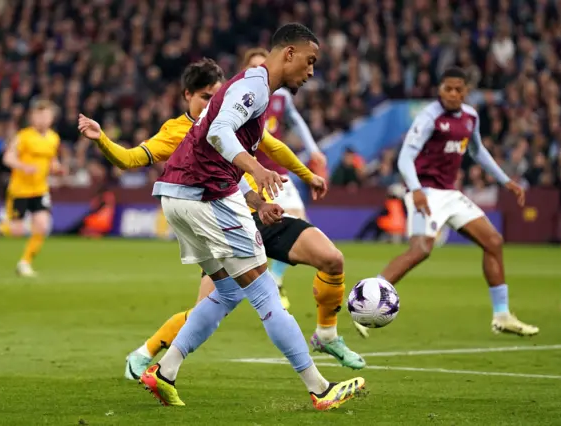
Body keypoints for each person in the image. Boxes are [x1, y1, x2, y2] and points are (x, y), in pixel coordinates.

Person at [79, 29, 364, 411]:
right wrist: (258, 172)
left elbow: (250, 144)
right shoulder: (256, 87)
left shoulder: (256, 92)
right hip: (206, 196)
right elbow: (218, 133)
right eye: (310, 61)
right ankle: (319, 388)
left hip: (179, 196)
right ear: (289, 53)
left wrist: (264, 190)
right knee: (265, 293)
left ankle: (164, 370)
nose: (312, 71)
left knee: (227, 292)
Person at [359, 67, 538, 337]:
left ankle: (502, 315)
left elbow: (478, 152)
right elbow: (405, 158)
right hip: (426, 192)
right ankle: (366, 302)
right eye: (447, 89)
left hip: (450, 194)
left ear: (466, 91)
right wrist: (416, 190)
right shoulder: (429, 117)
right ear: (440, 89)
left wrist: (505, 180)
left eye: (458, 89)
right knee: (420, 250)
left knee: (493, 242)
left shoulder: (470, 117)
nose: (453, 94)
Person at [243, 48, 328, 309]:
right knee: (263, 225)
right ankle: (260, 278)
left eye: (263, 66)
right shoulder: (240, 96)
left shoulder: (279, 96)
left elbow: (295, 119)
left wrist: (312, 148)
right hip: (251, 171)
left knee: (297, 219)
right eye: (253, 67)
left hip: (277, 170)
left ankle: (274, 278)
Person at [0, 100, 63, 277]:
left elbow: (52, 160)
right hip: (20, 190)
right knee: (18, 229)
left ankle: (24, 263)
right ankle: (1, 229)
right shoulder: (23, 136)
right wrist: (23, 166)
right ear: (33, 118)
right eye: (39, 115)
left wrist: (58, 168)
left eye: (46, 116)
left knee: (42, 226)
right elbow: (8, 158)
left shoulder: (53, 138)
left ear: (51, 118)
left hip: (40, 189)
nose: (43, 119)